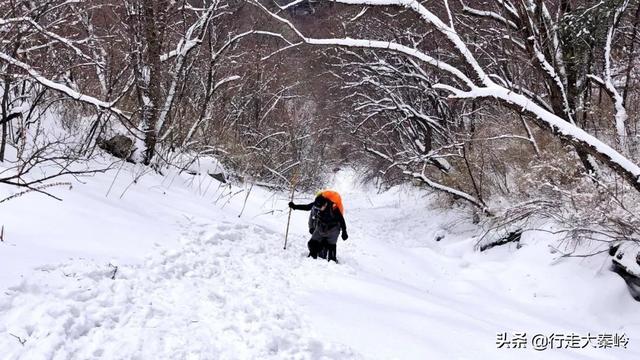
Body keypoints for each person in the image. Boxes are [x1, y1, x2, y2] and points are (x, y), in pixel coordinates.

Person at [289, 190, 348, 263]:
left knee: (331, 247)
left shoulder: (333, 207)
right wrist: (294, 206)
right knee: (312, 243)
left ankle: (332, 261)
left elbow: (341, 220)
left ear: (325, 204)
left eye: (320, 208)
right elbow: (307, 207)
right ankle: (313, 256)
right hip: (321, 226)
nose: (319, 210)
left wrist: (344, 232)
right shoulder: (317, 203)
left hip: (333, 229)